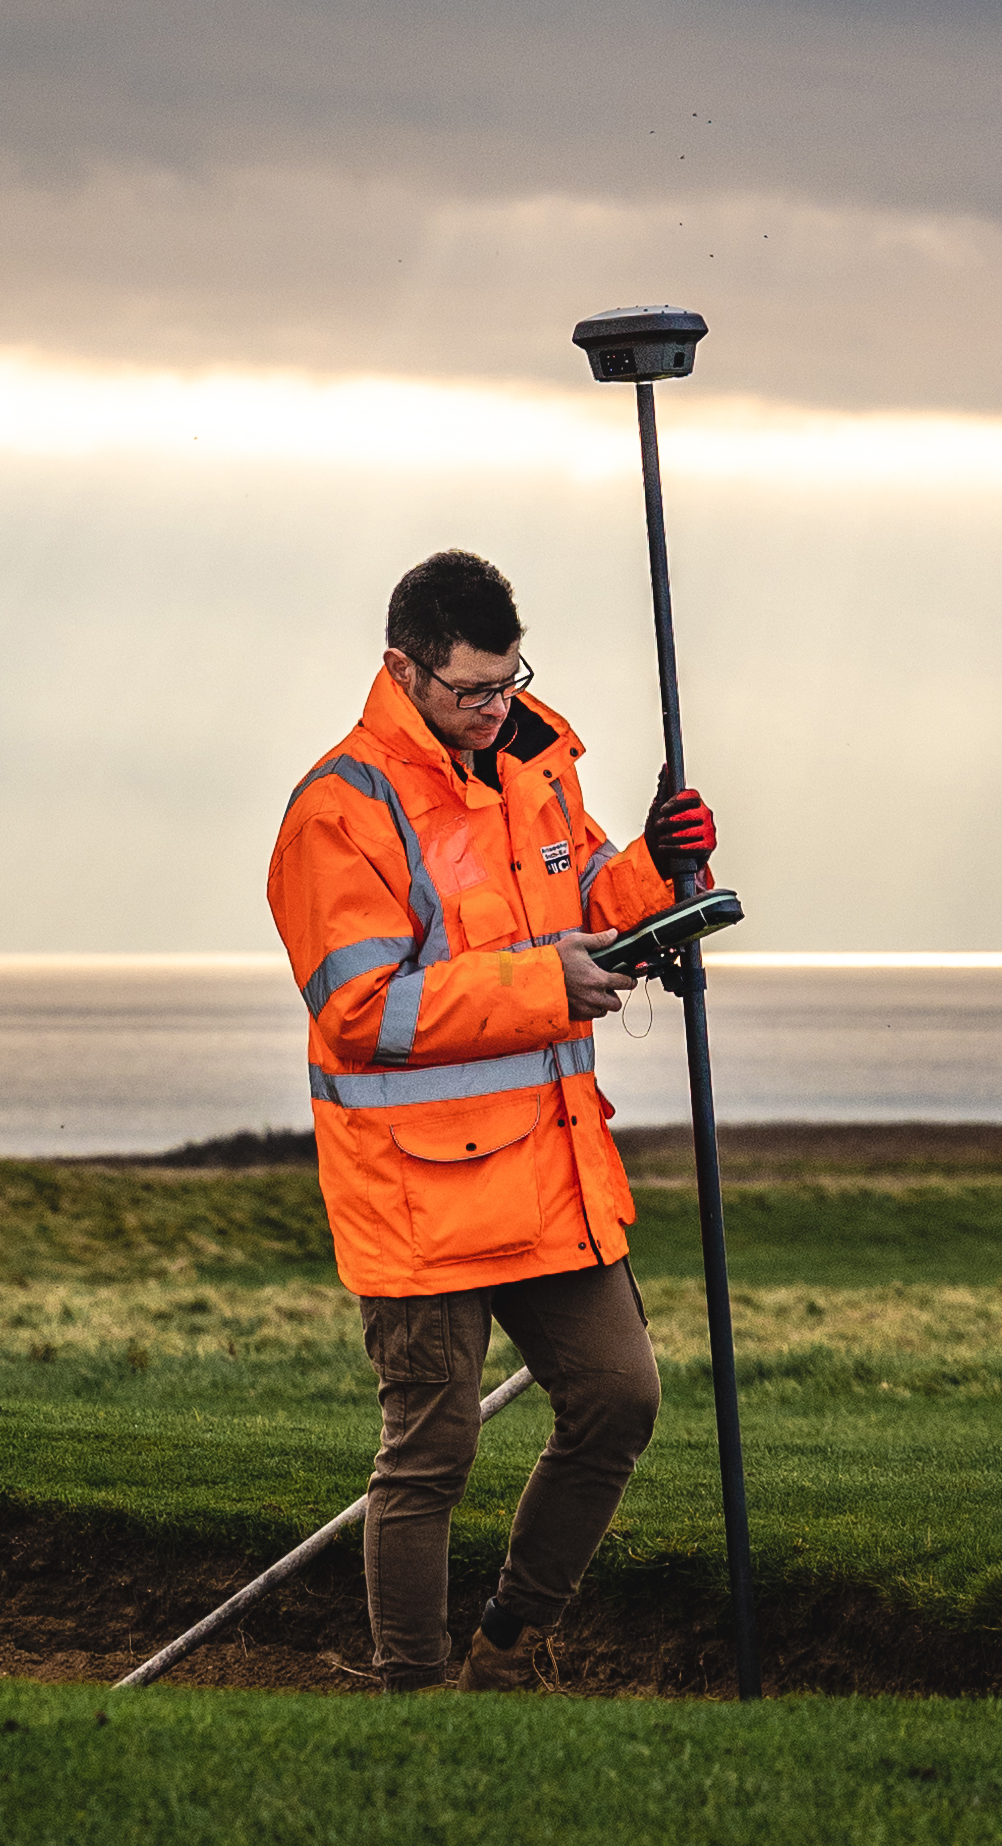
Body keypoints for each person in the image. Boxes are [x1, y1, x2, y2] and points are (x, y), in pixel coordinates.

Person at [267, 547, 721, 1693]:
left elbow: (590, 908)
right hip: (415, 1195)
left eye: (509, 682)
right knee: (432, 1454)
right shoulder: (339, 812)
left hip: (547, 1173)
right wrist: (542, 985)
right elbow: (360, 1010)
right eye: (472, 689)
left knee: (620, 1401)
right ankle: (414, 1697)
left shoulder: (537, 764)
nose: (495, 707)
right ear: (403, 670)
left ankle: (510, 1648)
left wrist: (663, 876)